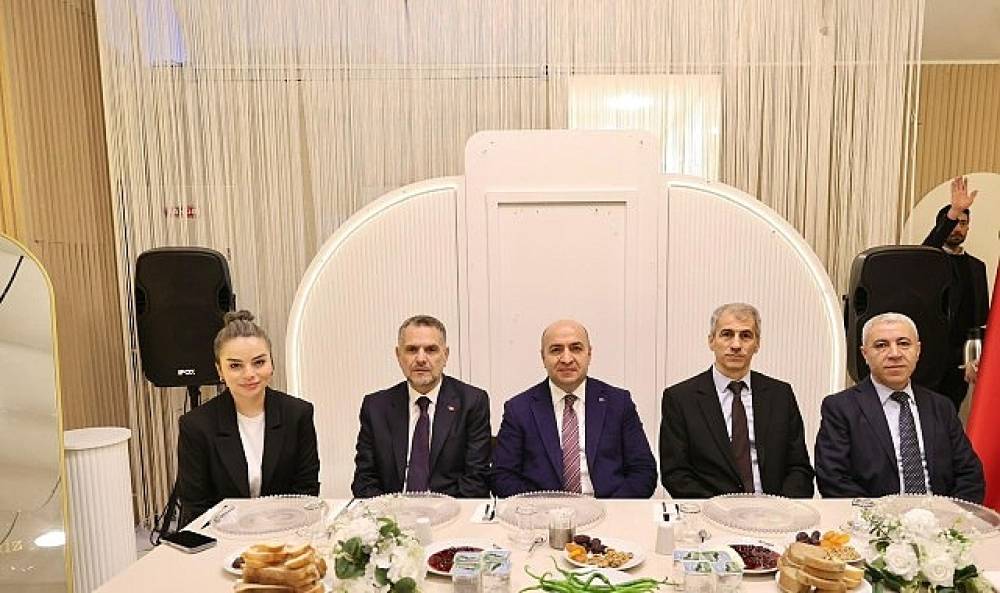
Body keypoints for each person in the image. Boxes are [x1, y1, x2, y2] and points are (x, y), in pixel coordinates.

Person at [815, 312, 984, 502]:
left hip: (940, 515)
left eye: (904, 343)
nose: (894, 354)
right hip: (873, 517)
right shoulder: (840, 408)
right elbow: (833, 479)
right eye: (881, 345)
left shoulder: (941, 406)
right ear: (865, 354)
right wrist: (882, 517)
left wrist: (950, 514)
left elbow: (969, 474)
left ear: (918, 350)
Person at [177, 311, 320, 527]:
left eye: (259, 362)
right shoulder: (196, 425)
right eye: (235, 365)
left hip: (285, 532)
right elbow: (196, 506)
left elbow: (306, 493)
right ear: (219, 370)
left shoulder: (298, 414)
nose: (249, 374)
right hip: (220, 536)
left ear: (272, 363)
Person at [659, 303, 814, 498]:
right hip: (711, 510)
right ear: (711, 341)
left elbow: (799, 467)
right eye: (727, 334)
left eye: (746, 336)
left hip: (774, 510)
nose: (736, 345)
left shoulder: (780, 395)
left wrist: (780, 506)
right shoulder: (681, 399)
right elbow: (676, 474)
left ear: (757, 344)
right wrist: (721, 508)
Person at [491, 319, 657, 498]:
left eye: (576, 348)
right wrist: (545, 507)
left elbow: (643, 471)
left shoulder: (618, 402)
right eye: (556, 350)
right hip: (543, 510)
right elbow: (502, 476)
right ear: (543, 357)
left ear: (589, 354)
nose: (566, 359)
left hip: (608, 508)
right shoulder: (519, 409)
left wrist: (611, 509)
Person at [351, 315, 492, 497]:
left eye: (431, 350)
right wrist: (391, 511)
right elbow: (364, 480)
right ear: (398, 355)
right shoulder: (376, 407)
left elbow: (477, 480)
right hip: (392, 510)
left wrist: (441, 510)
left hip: (452, 508)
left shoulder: (472, 402)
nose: (421, 359)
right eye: (412, 350)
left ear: (445, 355)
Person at [922, 176, 990, 408]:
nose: (958, 228)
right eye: (953, 223)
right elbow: (929, 247)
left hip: (959, 362)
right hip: (928, 359)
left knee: (950, 416)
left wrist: (974, 357)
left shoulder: (977, 267)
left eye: (963, 223)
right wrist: (954, 211)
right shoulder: (929, 260)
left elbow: (980, 318)